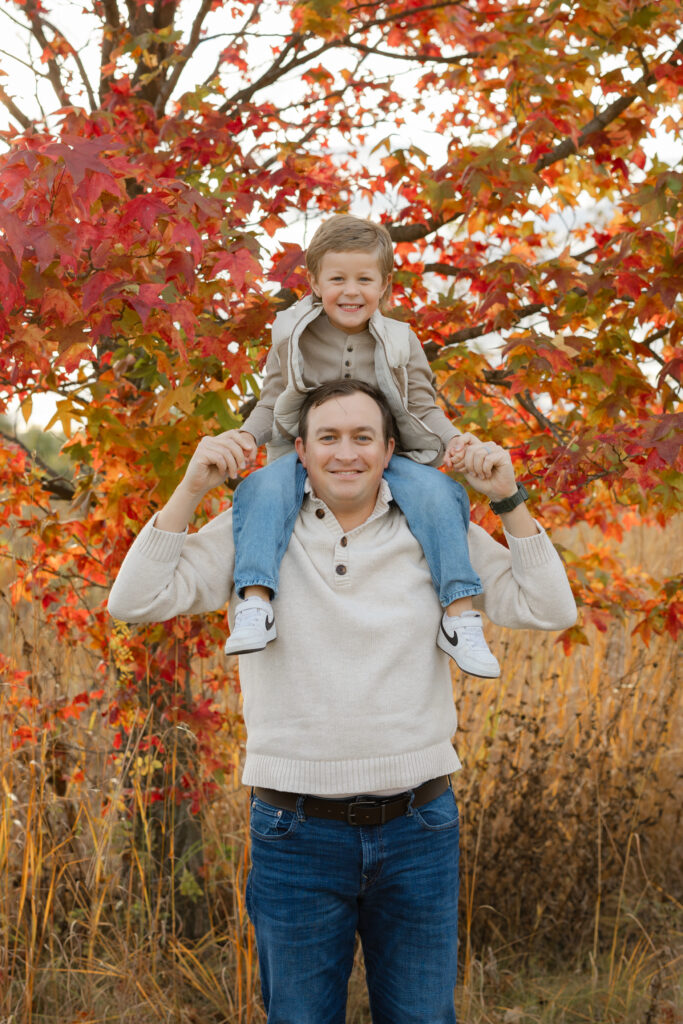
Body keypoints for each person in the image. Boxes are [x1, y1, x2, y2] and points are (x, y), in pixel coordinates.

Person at [108, 379, 577, 1024]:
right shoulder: (256, 529)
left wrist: (508, 500)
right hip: (295, 830)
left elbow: (550, 608)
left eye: (363, 437)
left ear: (390, 450)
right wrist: (191, 490)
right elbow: (133, 601)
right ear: (300, 448)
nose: (345, 453)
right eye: (328, 437)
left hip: (419, 826)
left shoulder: (431, 526)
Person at [221, 214, 500, 677]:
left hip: (384, 456)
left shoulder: (400, 340)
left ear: (385, 284)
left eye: (364, 279)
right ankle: (255, 602)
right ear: (313, 281)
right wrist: (248, 436)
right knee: (260, 490)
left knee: (441, 494)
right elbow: (272, 399)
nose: (351, 291)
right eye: (337, 279)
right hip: (307, 454)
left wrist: (455, 441)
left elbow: (423, 408)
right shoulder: (291, 334)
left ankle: (459, 616)